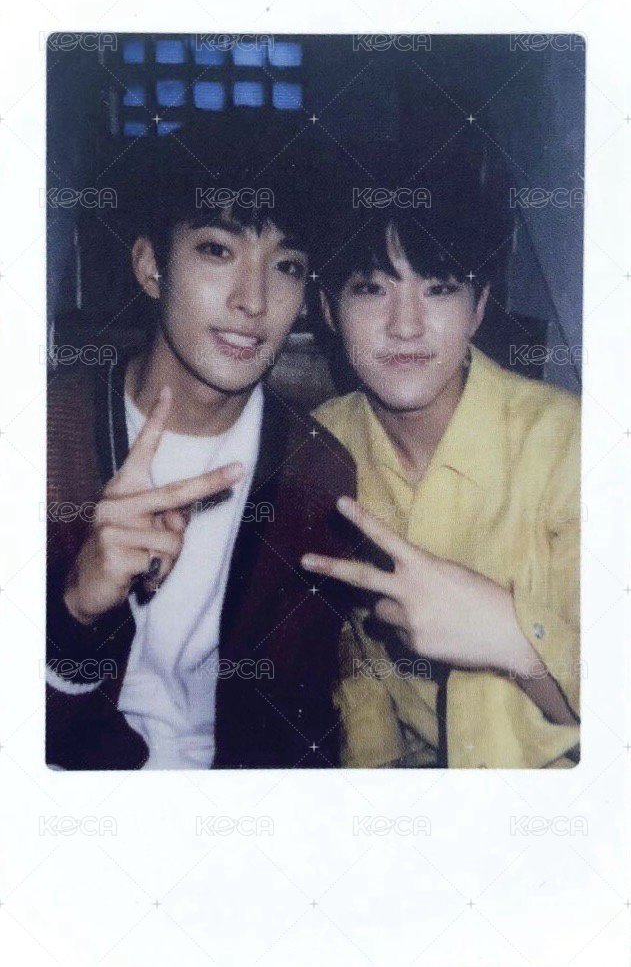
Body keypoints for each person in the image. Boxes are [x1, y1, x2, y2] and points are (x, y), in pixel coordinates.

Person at [47, 122, 356, 771]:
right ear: (150, 266)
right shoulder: (45, 437)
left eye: (287, 266)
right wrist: (74, 611)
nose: (253, 300)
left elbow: (295, 724)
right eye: (218, 250)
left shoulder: (317, 472)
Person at [303, 159, 580, 769]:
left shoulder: (571, 445)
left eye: (439, 288)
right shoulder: (319, 445)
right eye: (371, 288)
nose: (405, 326)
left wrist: (512, 640)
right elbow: (353, 650)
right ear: (328, 309)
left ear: (478, 308)